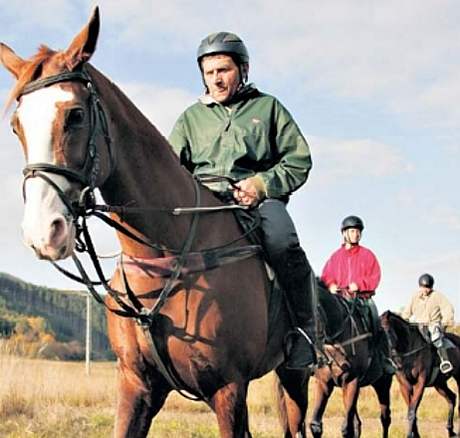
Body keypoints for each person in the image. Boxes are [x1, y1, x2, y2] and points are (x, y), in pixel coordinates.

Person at [168, 31, 316, 369]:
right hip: (201, 203)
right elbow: (171, 165)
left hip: (258, 203)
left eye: (224, 70)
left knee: (283, 242)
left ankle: (305, 333)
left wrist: (263, 184)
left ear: (243, 69)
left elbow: (299, 159)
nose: (217, 79)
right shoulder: (190, 119)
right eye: (209, 72)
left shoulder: (268, 108)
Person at [321, 216, 393, 372]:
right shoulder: (335, 257)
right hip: (339, 299)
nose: (356, 234)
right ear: (345, 233)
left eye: (358, 231)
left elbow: (375, 276)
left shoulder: (368, 255)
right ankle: (318, 357)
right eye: (353, 231)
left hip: (361, 299)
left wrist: (359, 285)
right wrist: (331, 286)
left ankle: (383, 358)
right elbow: (326, 276)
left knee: (376, 319)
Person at [402, 273, 455, 374]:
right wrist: (404, 320)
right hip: (419, 324)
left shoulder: (438, 296)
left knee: (436, 338)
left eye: (428, 287)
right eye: (424, 287)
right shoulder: (415, 297)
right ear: (420, 286)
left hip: (433, 324)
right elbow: (407, 312)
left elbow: (448, 308)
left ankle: (444, 361)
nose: (426, 290)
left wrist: (445, 323)